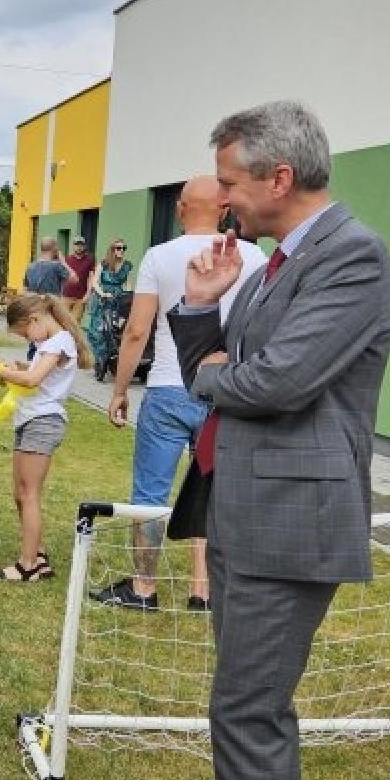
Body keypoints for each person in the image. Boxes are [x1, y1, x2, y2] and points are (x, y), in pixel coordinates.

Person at [118, 101, 390, 780]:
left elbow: (272, 383)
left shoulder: (352, 256)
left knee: (245, 714)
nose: (221, 198)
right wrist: (202, 311)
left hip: (290, 521)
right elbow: (228, 366)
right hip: (248, 508)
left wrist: (210, 368)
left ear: (280, 178)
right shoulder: (282, 262)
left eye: (230, 182)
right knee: (256, 713)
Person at [99, 178, 266, 613]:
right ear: (225, 210)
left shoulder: (158, 256)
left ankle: (143, 587)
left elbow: (137, 331)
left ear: (179, 208)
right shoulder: (255, 257)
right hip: (226, 387)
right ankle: (203, 590)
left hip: (169, 387)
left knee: (150, 494)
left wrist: (119, 390)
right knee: (210, 490)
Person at [0, 294, 86, 583]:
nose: (28, 338)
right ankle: (38, 556)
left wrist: (7, 373)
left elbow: (33, 381)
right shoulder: (46, 344)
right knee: (20, 493)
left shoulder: (60, 342)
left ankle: (27, 565)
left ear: (35, 320)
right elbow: (30, 376)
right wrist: (16, 370)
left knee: (29, 494)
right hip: (28, 419)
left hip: (44, 421)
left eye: (25, 333)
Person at [84, 238, 134, 366]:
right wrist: (102, 293)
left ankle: (110, 358)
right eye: (118, 248)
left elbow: (128, 286)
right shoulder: (104, 264)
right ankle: (100, 359)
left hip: (117, 300)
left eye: (123, 248)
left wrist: (127, 300)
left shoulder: (127, 266)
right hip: (102, 300)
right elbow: (95, 282)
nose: (121, 250)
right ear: (112, 250)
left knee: (113, 330)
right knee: (97, 331)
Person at [61, 238, 95, 324]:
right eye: (77, 244)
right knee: (63, 321)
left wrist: (88, 294)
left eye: (81, 245)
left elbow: (91, 278)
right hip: (66, 296)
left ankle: (73, 338)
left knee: (75, 323)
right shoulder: (68, 259)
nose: (79, 247)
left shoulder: (89, 260)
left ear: (84, 246)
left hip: (80, 298)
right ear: (73, 246)